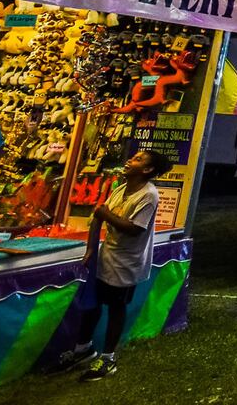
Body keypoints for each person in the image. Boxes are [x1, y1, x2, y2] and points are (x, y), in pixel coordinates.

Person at [60, 149, 172, 381]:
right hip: (106, 256)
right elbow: (98, 215)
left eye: (138, 159)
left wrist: (104, 214)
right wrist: (91, 249)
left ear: (148, 170)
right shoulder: (121, 189)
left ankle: (108, 358)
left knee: (116, 307)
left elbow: (134, 228)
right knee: (93, 303)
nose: (131, 160)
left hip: (127, 262)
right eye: (133, 157)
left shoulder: (148, 195)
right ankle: (83, 349)